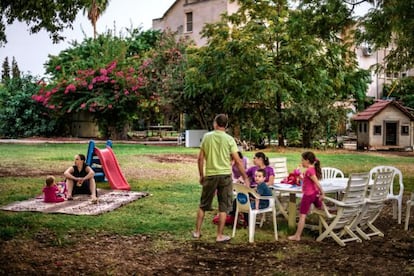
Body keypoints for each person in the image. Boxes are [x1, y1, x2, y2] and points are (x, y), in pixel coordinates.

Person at [192, 114, 250, 242]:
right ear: (226, 125)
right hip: (225, 176)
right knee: (223, 206)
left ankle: (197, 232)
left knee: (203, 205)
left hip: (211, 175)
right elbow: (238, 161)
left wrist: (201, 175)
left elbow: (200, 158)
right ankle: (219, 235)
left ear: (215, 123)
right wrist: (245, 177)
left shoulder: (207, 137)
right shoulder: (229, 139)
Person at [288, 151, 325, 241]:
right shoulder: (312, 169)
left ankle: (297, 235)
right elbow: (308, 181)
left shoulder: (309, 170)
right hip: (314, 194)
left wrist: (323, 193)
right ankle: (326, 227)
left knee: (302, 216)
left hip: (308, 195)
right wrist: (299, 176)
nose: (301, 162)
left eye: (302, 160)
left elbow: (317, 182)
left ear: (307, 161)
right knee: (322, 209)